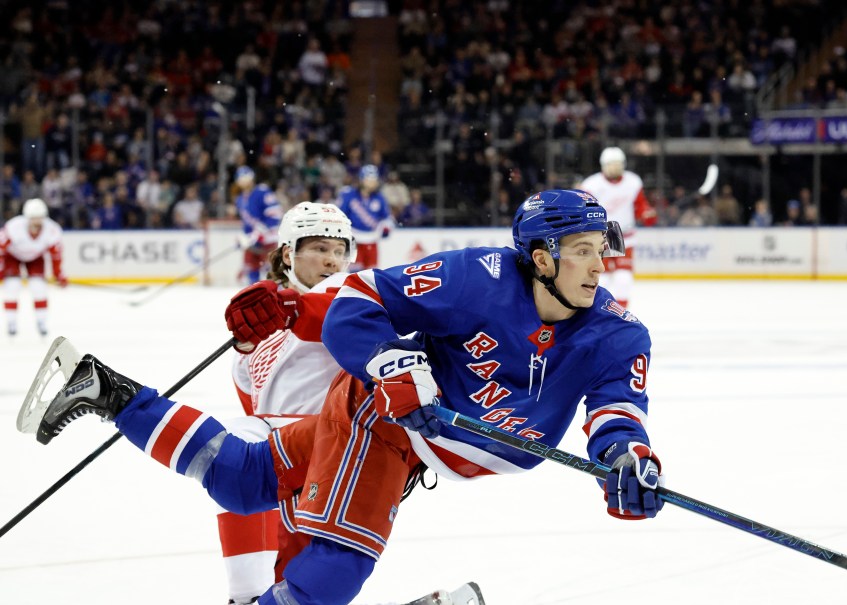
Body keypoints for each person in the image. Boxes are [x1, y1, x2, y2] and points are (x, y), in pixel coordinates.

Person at [37, 189, 662, 604]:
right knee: (336, 567)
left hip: (418, 446)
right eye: (581, 252)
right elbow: (362, 300)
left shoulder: (618, 333)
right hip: (382, 421)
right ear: (540, 258)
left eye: (600, 252)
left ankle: (107, 390)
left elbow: (617, 416)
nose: (598, 266)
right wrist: (387, 359)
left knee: (244, 477)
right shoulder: (479, 275)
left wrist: (629, 463)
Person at [218, 201, 356, 604]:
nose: (332, 260)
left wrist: (288, 309)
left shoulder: (351, 295)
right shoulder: (260, 322)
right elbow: (249, 400)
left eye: (338, 250)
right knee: (285, 567)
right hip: (282, 455)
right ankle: (245, 596)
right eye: (319, 248)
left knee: (310, 569)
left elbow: (337, 315)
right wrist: (246, 342)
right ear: (287, 253)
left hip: (336, 451)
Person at [579, 146, 657, 307]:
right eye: (611, 164)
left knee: (623, 279)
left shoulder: (633, 182)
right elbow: (583, 211)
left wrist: (646, 213)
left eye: (617, 164)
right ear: (603, 165)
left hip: (625, 236)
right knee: (603, 278)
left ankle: (620, 314)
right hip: (601, 236)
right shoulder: (591, 185)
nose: (614, 168)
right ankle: (601, 310)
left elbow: (640, 206)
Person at [1, 198, 67, 336]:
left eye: (40, 218)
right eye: (33, 218)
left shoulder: (53, 230)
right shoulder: (13, 227)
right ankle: (11, 322)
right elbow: (1, 250)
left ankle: (41, 321)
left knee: (39, 289)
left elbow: (56, 255)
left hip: (36, 258)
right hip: (13, 257)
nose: (37, 222)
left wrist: (58, 274)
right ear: (27, 218)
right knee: (12, 287)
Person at [335, 164, 393, 271]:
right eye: (370, 179)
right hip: (354, 240)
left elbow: (387, 218)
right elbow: (339, 214)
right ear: (362, 179)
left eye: (375, 179)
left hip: (372, 240)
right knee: (355, 275)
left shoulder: (379, 197)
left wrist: (386, 227)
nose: (373, 182)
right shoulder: (349, 194)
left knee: (371, 275)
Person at [235, 166, 283, 284]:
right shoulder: (240, 199)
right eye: (241, 178)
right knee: (252, 268)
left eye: (246, 178)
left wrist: (264, 230)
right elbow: (246, 223)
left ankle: (275, 296)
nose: (244, 181)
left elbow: (275, 213)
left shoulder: (262, 191)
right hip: (253, 241)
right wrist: (244, 237)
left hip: (269, 239)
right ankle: (254, 295)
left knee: (272, 271)